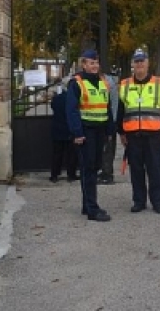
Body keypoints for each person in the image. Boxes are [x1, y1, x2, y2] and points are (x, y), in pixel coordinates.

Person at [117, 49, 160, 214]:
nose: (140, 64)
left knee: (155, 169)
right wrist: (121, 132)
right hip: (133, 136)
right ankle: (139, 201)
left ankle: (158, 201)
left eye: (142, 61)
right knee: (136, 170)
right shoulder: (125, 85)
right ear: (133, 65)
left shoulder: (159, 83)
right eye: (137, 61)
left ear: (148, 63)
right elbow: (121, 111)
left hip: (154, 135)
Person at [66, 49, 114, 222]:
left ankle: (87, 205)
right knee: (89, 169)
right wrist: (77, 133)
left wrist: (110, 130)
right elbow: (71, 110)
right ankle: (93, 209)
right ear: (84, 65)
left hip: (100, 131)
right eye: (91, 63)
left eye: (96, 63)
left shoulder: (103, 82)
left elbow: (106, 107)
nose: (94, 66)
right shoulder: (77, 83)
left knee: (94, 167)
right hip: (85, 132)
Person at [49, 80, 78, 183]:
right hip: (70, 129)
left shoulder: (57, 99)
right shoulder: (74, 99)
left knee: (57, 153)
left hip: (57, 128)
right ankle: (71, 174)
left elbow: (53, 107)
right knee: (71, 154)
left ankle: (54, 174)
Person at [98, 67, 120, 185]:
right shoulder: (108, 81)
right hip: (103, 119)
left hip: (108, 120)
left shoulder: (107, 82)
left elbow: (113, 103)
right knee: (105, 148)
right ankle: (104, 172)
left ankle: (107, 174)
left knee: (108, 148)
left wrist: (114, 121)